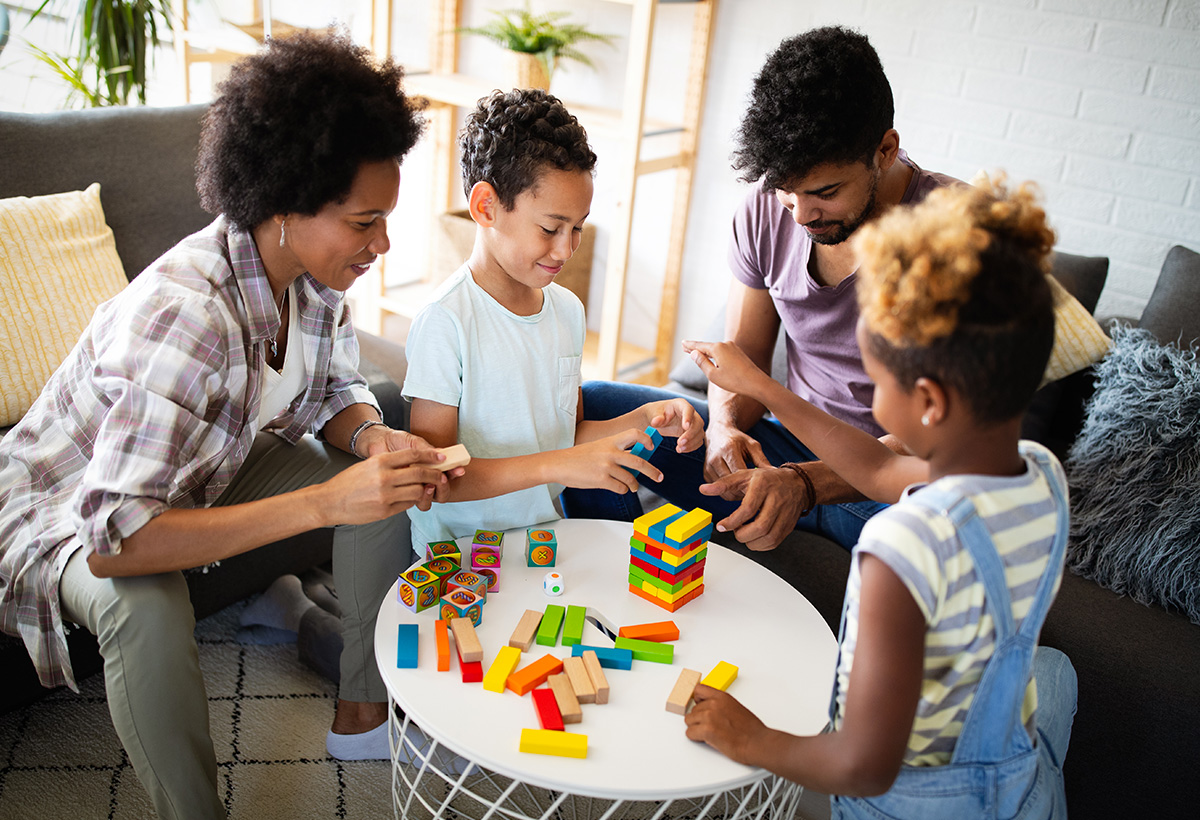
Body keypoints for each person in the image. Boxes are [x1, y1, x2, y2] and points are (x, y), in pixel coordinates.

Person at [0, 32, 453, 820]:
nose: (382, 245)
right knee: (142, 604)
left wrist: (373, 440)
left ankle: (360, 716)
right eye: (364, 222)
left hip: (198, 471)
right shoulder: (189, 314)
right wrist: (322, 503)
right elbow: (117, 542)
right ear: (284, 203)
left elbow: (333, 390)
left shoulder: (308, 278)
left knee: (385, 489)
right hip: (62, 505)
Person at [681, 178, 1078, 819]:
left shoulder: (903, 546)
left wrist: (750, 737)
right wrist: (766, 389)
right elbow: (875, 465)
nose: (870, 402)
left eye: (878, 383)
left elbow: (863, 765)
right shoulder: (1039, 475)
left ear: (929, 400)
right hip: (1011, 775)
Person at [563, 26, 959, 552]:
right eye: (785, 191)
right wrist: (724, 428)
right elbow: (743, 357)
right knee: (595, 411)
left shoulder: (959, 236)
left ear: (885, 150)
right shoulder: (765, 209)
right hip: (784, 444)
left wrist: (803, 483)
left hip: (889, 481)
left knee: (925, 531)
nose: (802, 214)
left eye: (825, 192)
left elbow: (930, 446)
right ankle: (612, 581)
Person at [402, 88, 703, 548]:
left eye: (578, 227)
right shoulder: (446, 323)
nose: (566, 249)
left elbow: (569, 434)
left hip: (543, 542)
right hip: (459, 556)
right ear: (486, 207)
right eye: (550, 228)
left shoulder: (566, 310)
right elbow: (433, 478)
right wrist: (556, 465)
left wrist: (645, 418)